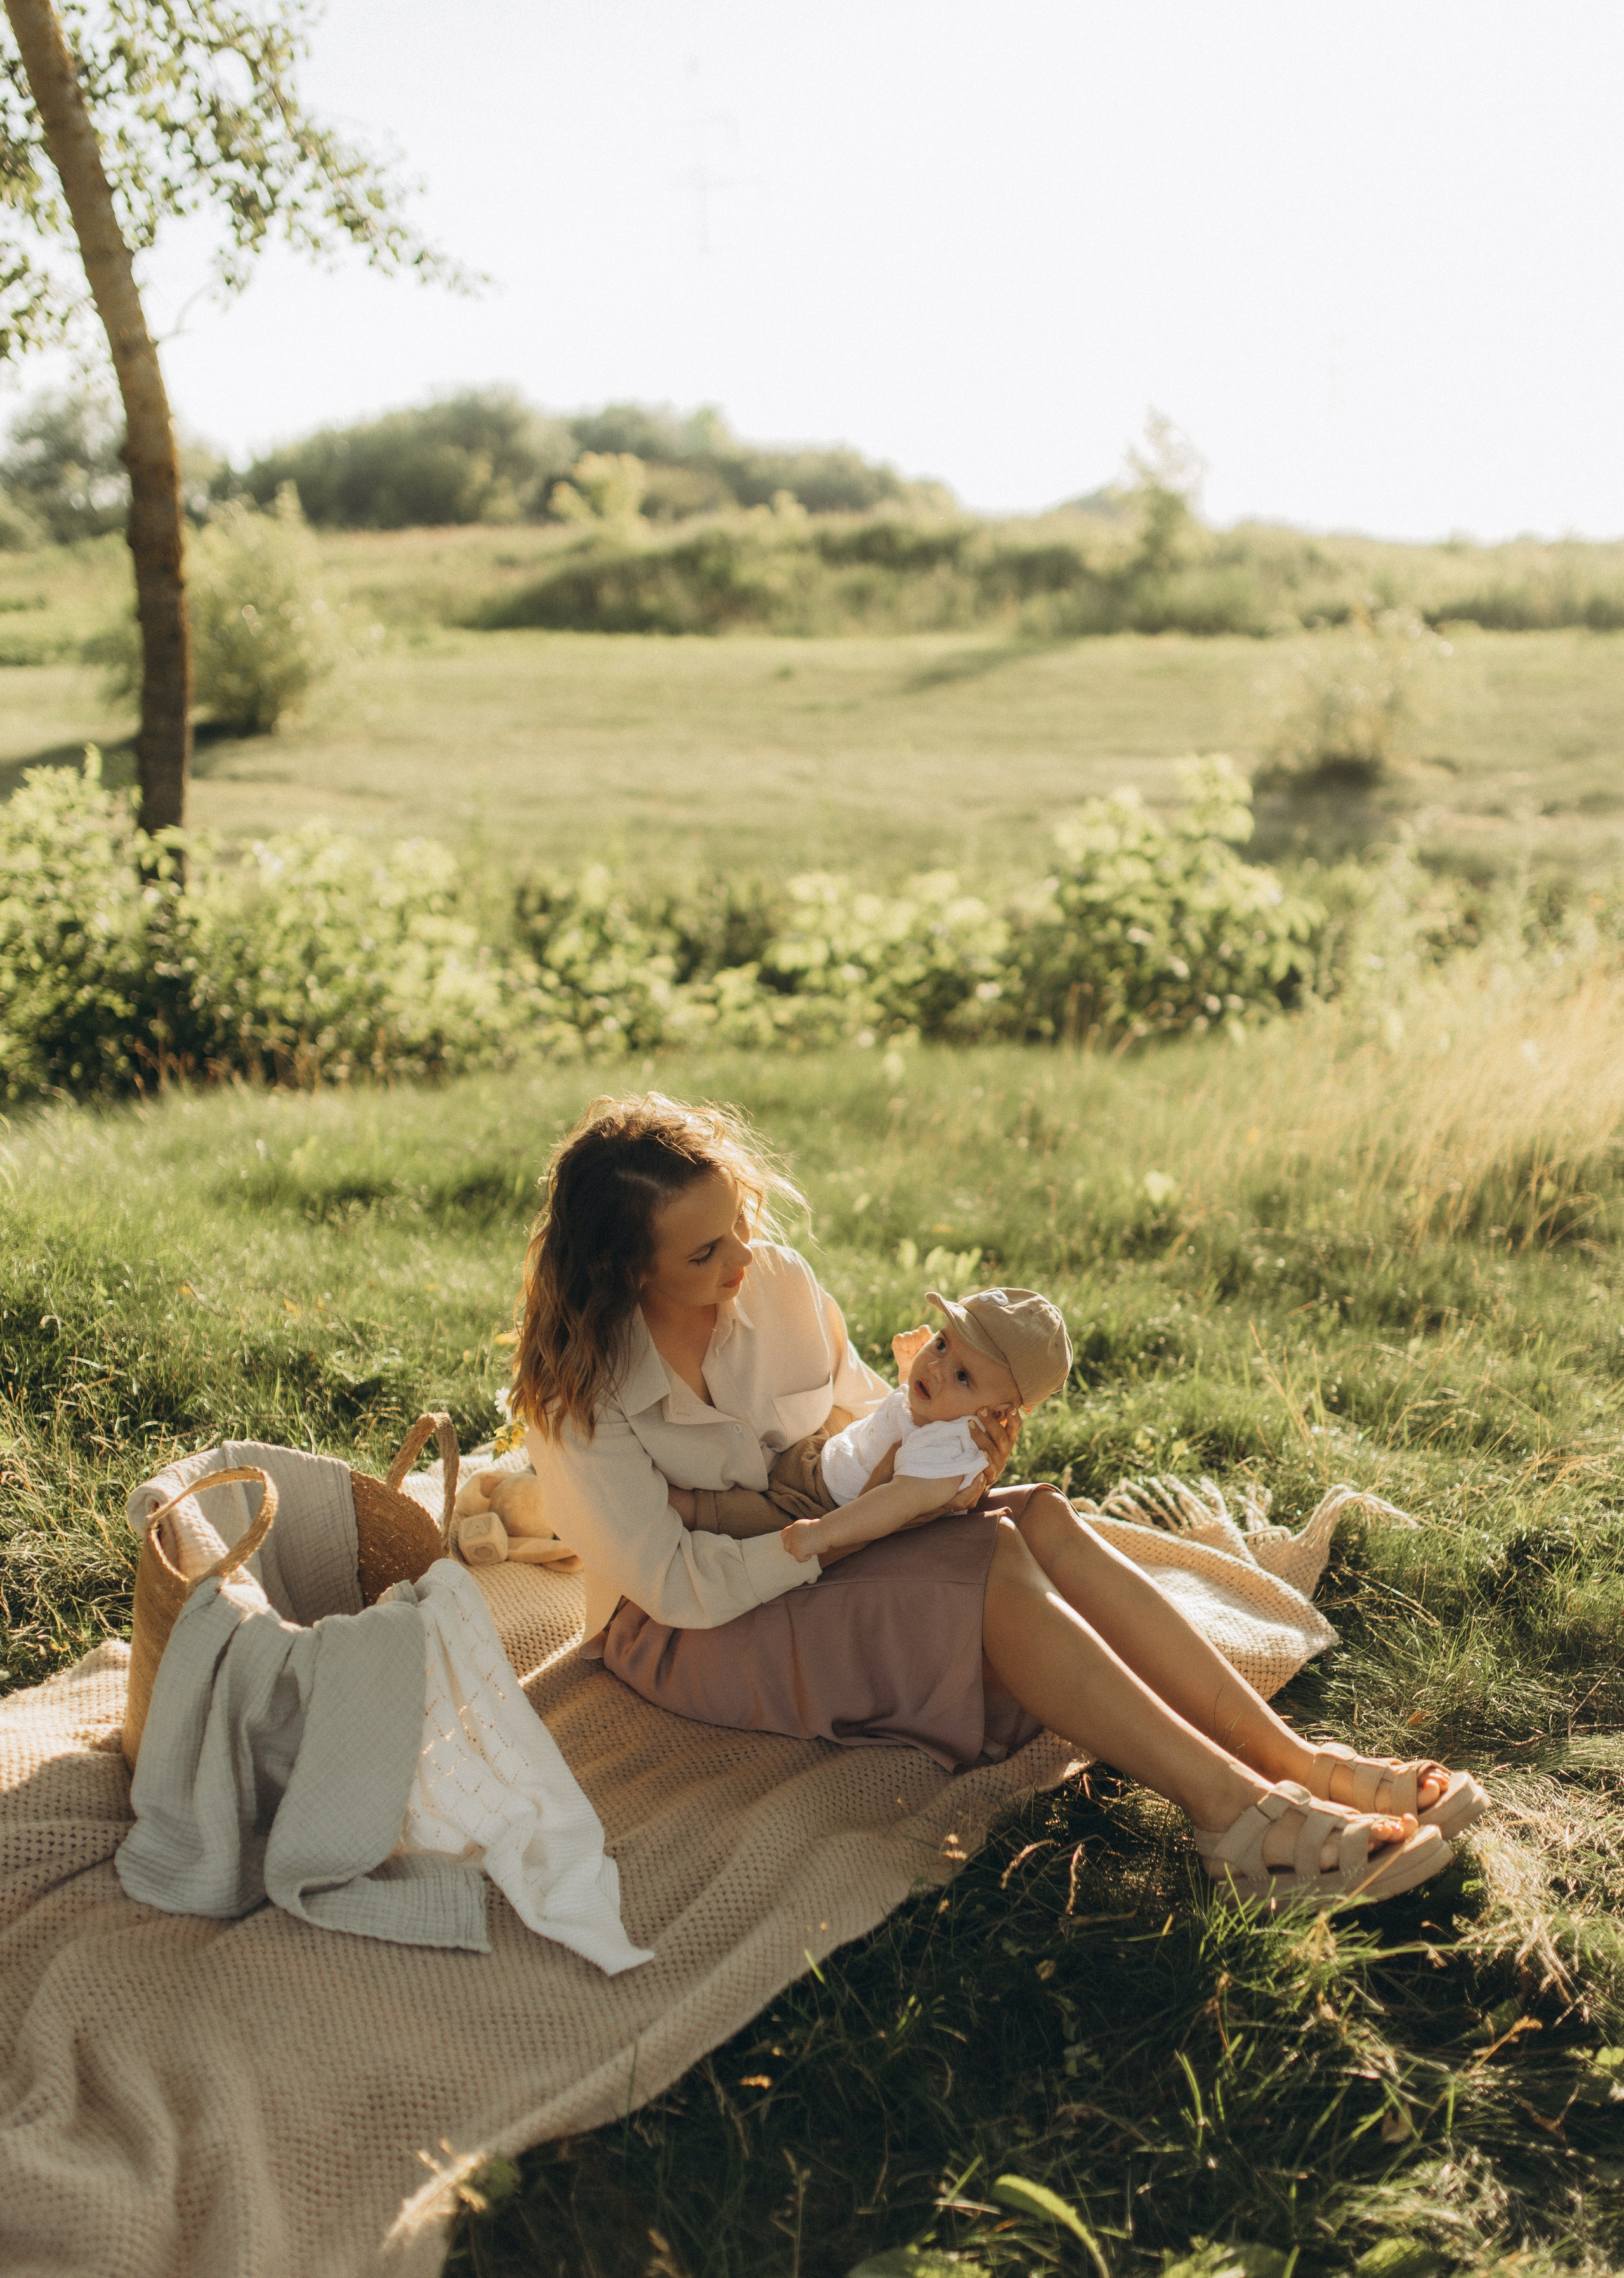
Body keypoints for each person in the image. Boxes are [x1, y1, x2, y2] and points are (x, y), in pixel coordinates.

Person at [470, 1091, 1488, 1904]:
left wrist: (945, 1459)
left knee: (1036, 1512)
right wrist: (868, 1520)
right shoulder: (580, 1399)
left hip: (816, 1540)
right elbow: (680, 1585)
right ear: (621, 1267)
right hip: (690, 1626)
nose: (744, 1257)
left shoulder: (771, 1282)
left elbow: (864, 1410)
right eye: (705, 1252)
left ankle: (1296, 1762)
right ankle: (1233, 1816)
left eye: (738, 1224)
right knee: (987, 1566)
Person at [667, 1286, 1071, 1568]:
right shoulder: (943, 1412)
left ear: (998, 1414)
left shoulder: (952, 1451)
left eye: (963, 1376)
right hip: (819, 1459)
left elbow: (895, 1502)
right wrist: (905, 1374)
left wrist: (823, 1533)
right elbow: (901, 1426)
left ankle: (684, 1506)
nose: (934, 1367)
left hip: (826, 1504)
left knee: (750, 1519)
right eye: (944, 1344)